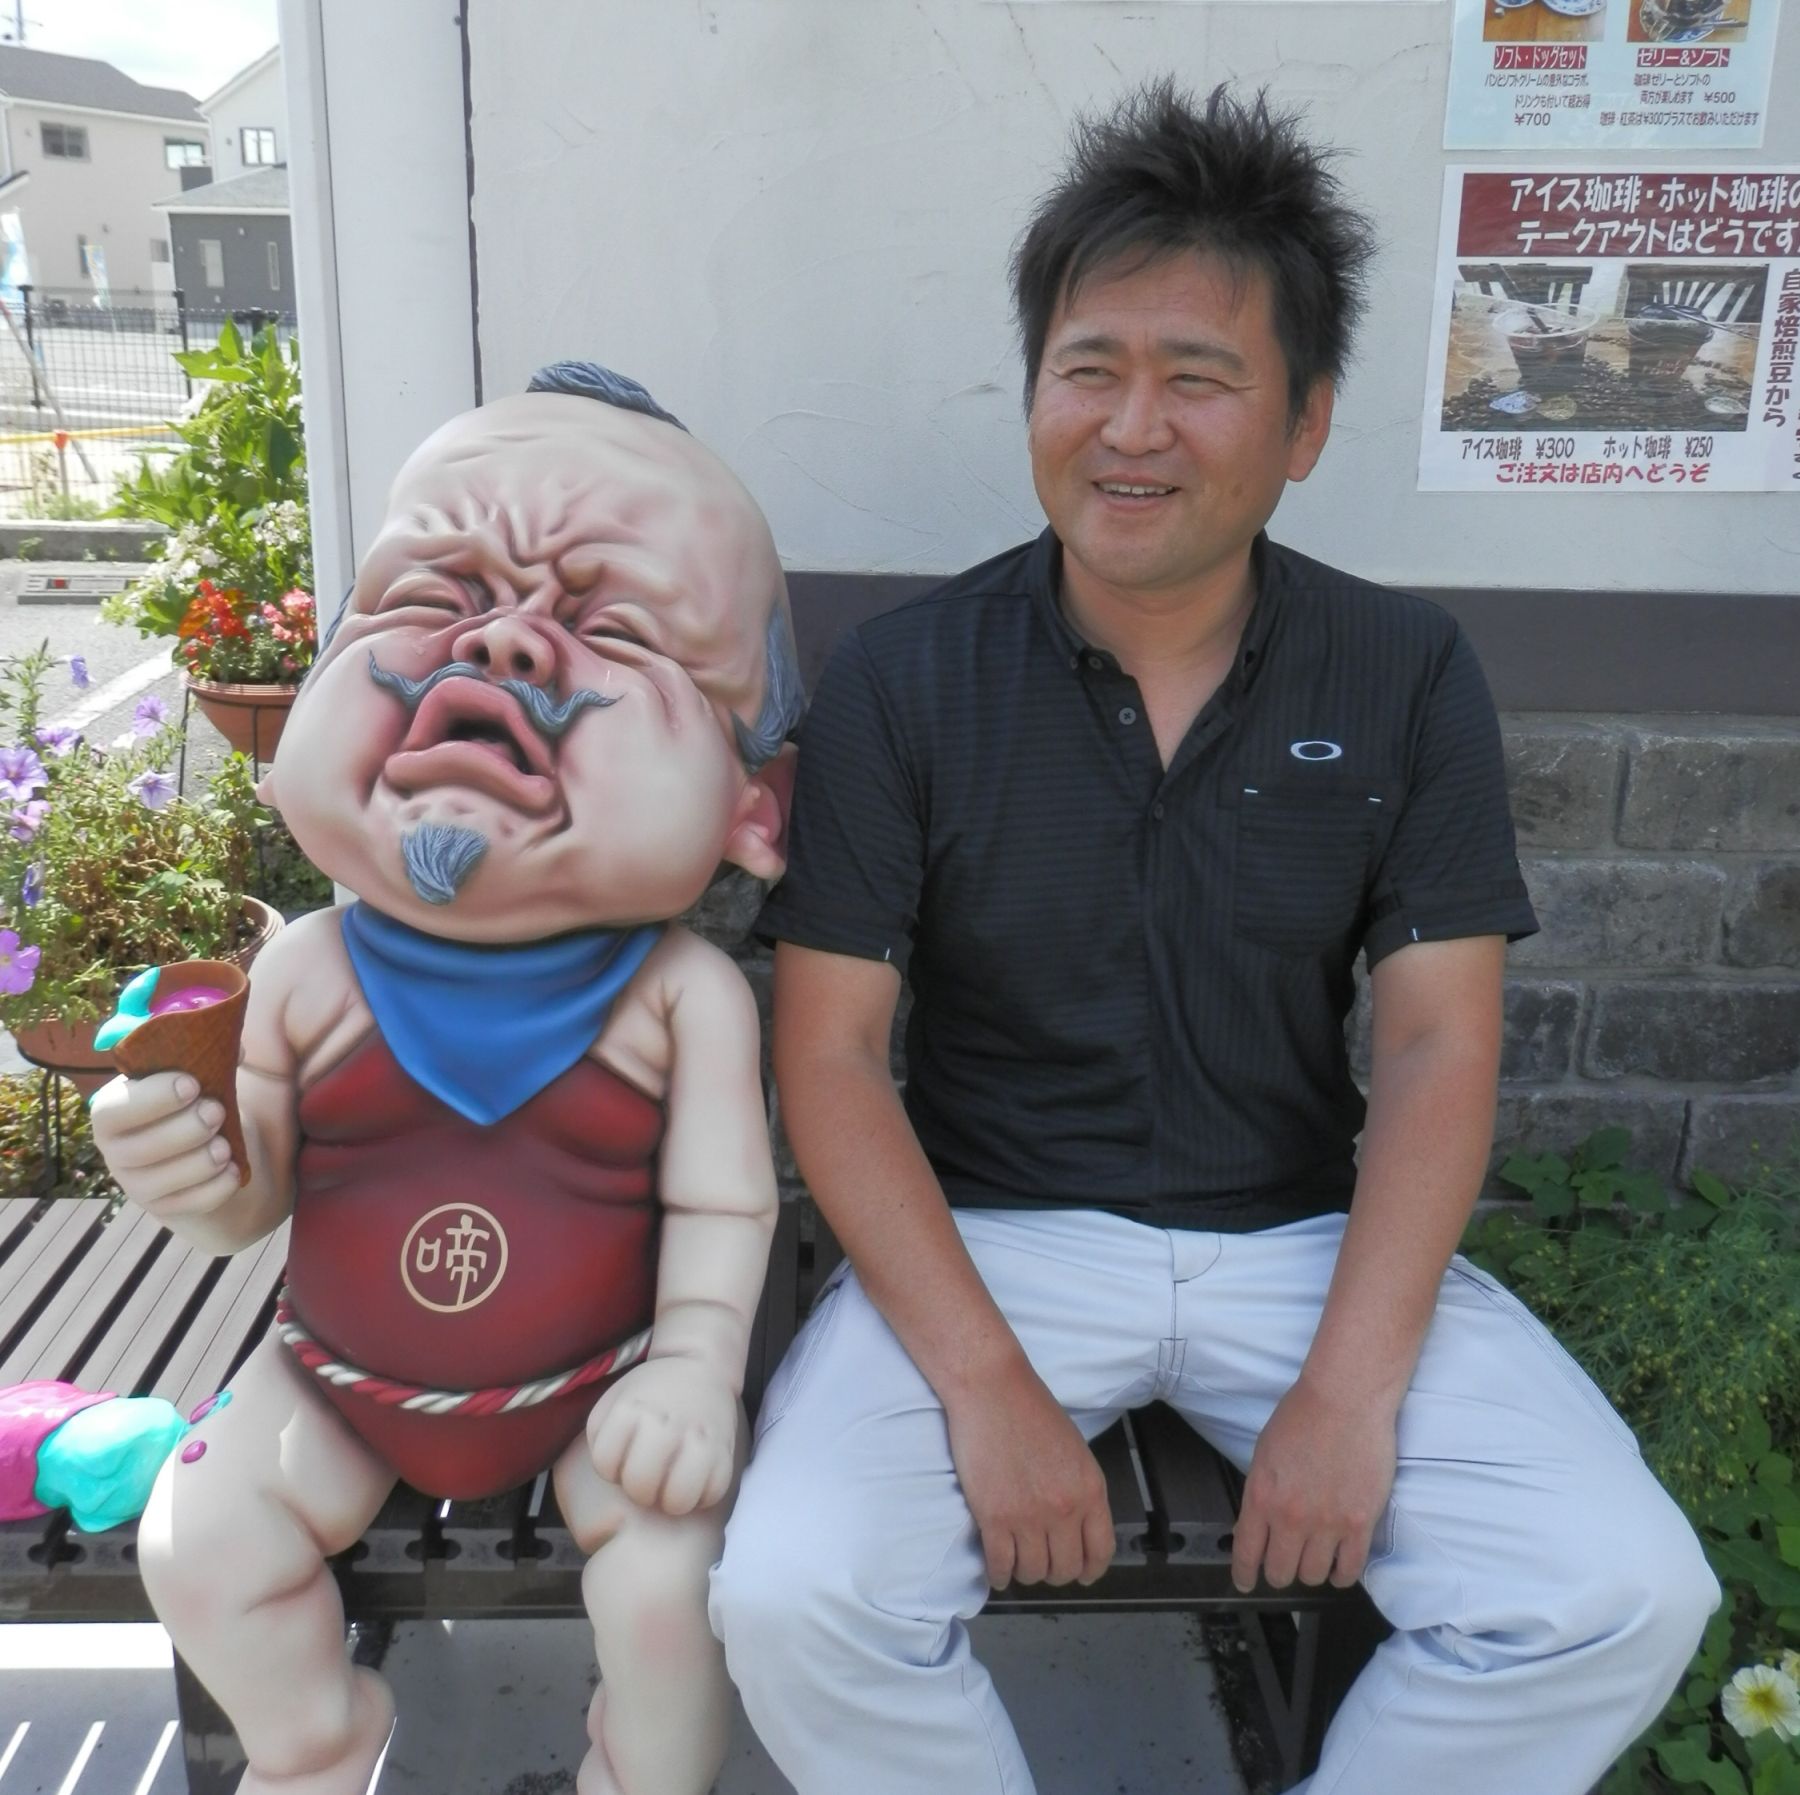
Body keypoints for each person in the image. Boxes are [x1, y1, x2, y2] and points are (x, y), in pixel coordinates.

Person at [709, 82, 1717, 1794]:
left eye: (1197, 377)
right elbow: (831, 1058)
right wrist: (987, 1387)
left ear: (1305, 423)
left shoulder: (1404, 671)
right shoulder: (905, 680)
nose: (1132, 426)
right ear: (1036, 389)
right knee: (799, 1594)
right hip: (992, 1240)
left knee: (1619, 1591)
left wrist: (1351, 1390)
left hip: (1304, 1239)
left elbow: (1436, 1043)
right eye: (1089, 368)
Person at [87, 363, 803, 1795]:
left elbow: (727, 1208)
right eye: (430, 595)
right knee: (196, 1541)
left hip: (600, 1386)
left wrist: (693, 1367)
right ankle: (314, 1747)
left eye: (614, 628)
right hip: (334, 1379)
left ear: (753, 809)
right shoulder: (306, 971)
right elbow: (252, 1198)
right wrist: (189, 1165)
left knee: (673, 1595)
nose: (505, 645)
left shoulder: (682, 998)